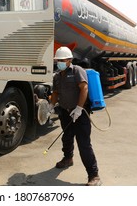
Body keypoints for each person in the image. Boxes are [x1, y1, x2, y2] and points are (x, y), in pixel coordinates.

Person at [49, 46, 101, 186]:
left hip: (80, 113)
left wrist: (78, 108)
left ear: (70, 60)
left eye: (62, 60)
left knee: (84, 144)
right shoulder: (57, 76)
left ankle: (94, 175)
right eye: (57, 60)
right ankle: (68, 158)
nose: (59, 62)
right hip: (65, 112)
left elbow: (84, 88)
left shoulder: (77, 71)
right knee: (66, 137)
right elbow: (55, 94)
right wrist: (50, 107)